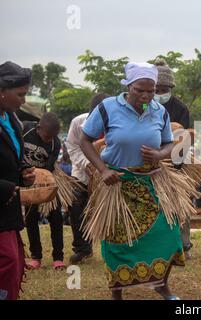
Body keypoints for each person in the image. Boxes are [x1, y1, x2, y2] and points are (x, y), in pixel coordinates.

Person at [80, 62, 186, 300]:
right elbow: (85, 140)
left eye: (151, 90)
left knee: (168, 235)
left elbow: (169, 142)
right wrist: (102, 170)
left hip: (152, 181)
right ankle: (117, 293)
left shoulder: (160, 110)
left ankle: (161, 285)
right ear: (128, 86)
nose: (146, 95)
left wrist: (160, 154)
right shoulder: (107, 108)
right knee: (117, 241)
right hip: (116, 182)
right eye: (140, 90)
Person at [0, 61, 35, 300]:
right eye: (20, 94)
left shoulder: (12, 120)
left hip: (8, 207)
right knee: (7, 261)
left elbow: (14, 155)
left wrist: (24, 171)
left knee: (13, 263)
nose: (23, 100)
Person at [154, 60, 194, 259]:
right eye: (157, 89)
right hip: (151, 163)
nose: (160, 93)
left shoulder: (180, 109)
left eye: (164, 89)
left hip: (177, 164)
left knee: (181, 205)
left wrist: (175, 165)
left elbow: (184, 139)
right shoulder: (146, 105)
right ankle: (159, 245)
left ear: (171, 88)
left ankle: (185, 245)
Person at [65, 93, 109, 264]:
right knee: (75, 206)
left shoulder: (119, 124)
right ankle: (82, 248)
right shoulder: (78, 122)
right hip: (82, 174)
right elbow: (73, 147)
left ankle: (113, 249)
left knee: (109, 211)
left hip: (109, 175)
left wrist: (103, 167)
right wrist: (88, 164)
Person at [22, 112, 65, 270]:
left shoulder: (55, 143)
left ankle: (58, 257)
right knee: (30, 217)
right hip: (26, 180)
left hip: (46, 181)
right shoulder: (24, 129)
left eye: (53, 136)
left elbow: (48, 168)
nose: (49, 140)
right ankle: (36, 256)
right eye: (47, 136)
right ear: (38, 128)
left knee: (56, 217)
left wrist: (43, 186)